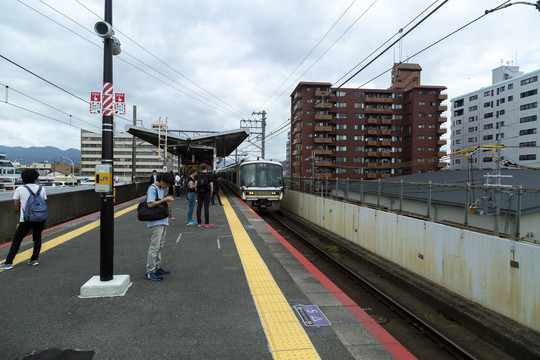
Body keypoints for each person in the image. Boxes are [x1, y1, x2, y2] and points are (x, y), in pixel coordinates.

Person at [0, 169, 47, 270]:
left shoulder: (20, 189)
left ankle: (8, 262)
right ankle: (34, 259)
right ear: (36, 178)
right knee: (37, 238)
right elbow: (43, 201)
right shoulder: (41, 188)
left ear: (23, 179)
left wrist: (19, 208)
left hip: (26, 219)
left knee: (17, 240)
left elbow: (16, 205)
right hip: (40, 218)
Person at [145, 172, 175, 281]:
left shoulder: (161, 189)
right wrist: (164, 200)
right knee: (154, 246)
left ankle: (157, 267)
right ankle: (150, 271)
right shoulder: (152, 188)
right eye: (166, 184)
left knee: (160, 245)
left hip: (162, 220)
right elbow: (150, 204)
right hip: (156, 221)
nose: (167, 186)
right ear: (162, 181)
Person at [196, 163, 213, 227]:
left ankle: (199, 223)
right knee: (206, 208)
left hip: (199, 193)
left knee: (199, 208)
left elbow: (196, 185)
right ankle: (206, 223)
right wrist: (211, 193)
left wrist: (197, 191)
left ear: (201, 168)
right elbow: (211, 186)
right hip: (207, 193)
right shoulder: (209, 176)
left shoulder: (198, 175)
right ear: (206, 168)